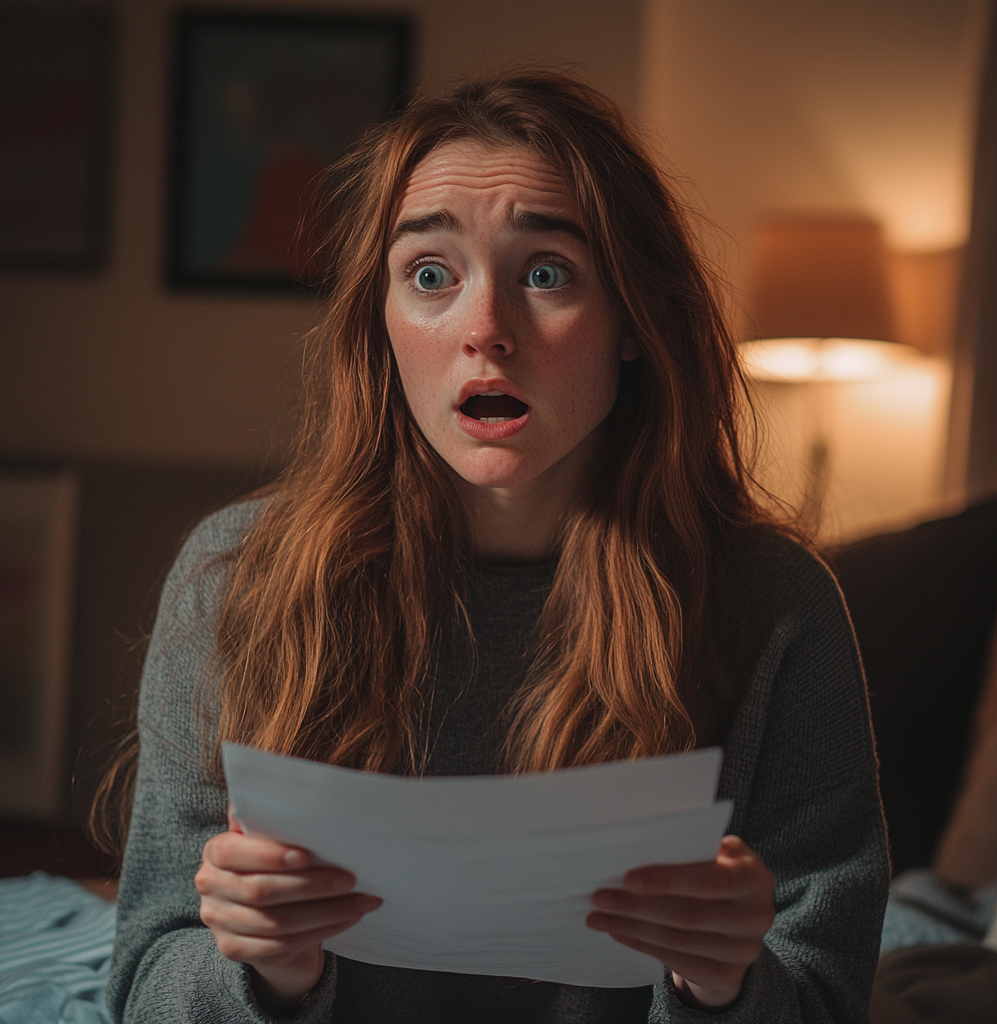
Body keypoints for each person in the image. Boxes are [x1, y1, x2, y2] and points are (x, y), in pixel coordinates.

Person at [102, 71, 889, 1023]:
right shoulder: (234, 580)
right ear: (381, 325)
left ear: (634, 319)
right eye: (430, 276)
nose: (485, 331)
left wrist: (722, 985)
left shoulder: (774, 604)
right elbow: (149, 984)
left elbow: (823, 996)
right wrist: (268, 972)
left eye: (546, 272)